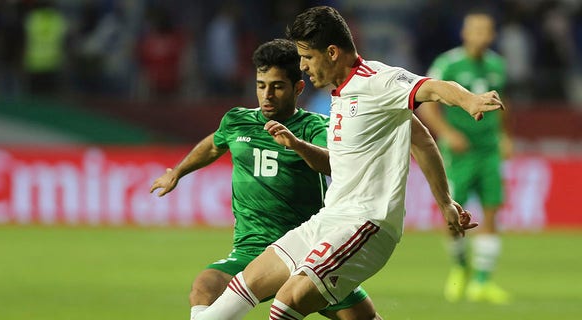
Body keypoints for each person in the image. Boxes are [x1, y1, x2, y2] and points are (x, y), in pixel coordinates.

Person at [193, 6, 502, 320]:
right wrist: (446, 202)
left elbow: (432, 87)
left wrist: (469, 100)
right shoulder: (340, 94)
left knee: (287, 301)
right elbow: (421, 140)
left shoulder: (376, 81)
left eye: (307, 57)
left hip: (367, 222)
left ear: (331, 52)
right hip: (331, 218)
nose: (302, 67)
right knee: (247, 283)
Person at [150, 39, 376, 320]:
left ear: (298, 88)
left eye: (277, 86)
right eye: (261, 85)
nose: (267, 94)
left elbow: (337, 163)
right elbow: (212, 145)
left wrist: (297, 145)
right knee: (204, 287)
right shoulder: (237, 121)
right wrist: (178, 171)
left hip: (307, 252)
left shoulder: (313, 126)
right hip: (251, 251)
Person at [417, 10, 512, 304]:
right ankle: (460, 271)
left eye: (487, 30)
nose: (481, 36)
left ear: (492, 35)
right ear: (465, 33)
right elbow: (427, 104)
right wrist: (446, 133)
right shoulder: (448, 64)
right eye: (476, 30)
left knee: (492, 209)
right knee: (454, 215)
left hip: (488, 151)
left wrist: (504, 135)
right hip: (459, 153)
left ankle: (482, 281)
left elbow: (502, 105)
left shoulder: (498, 65)